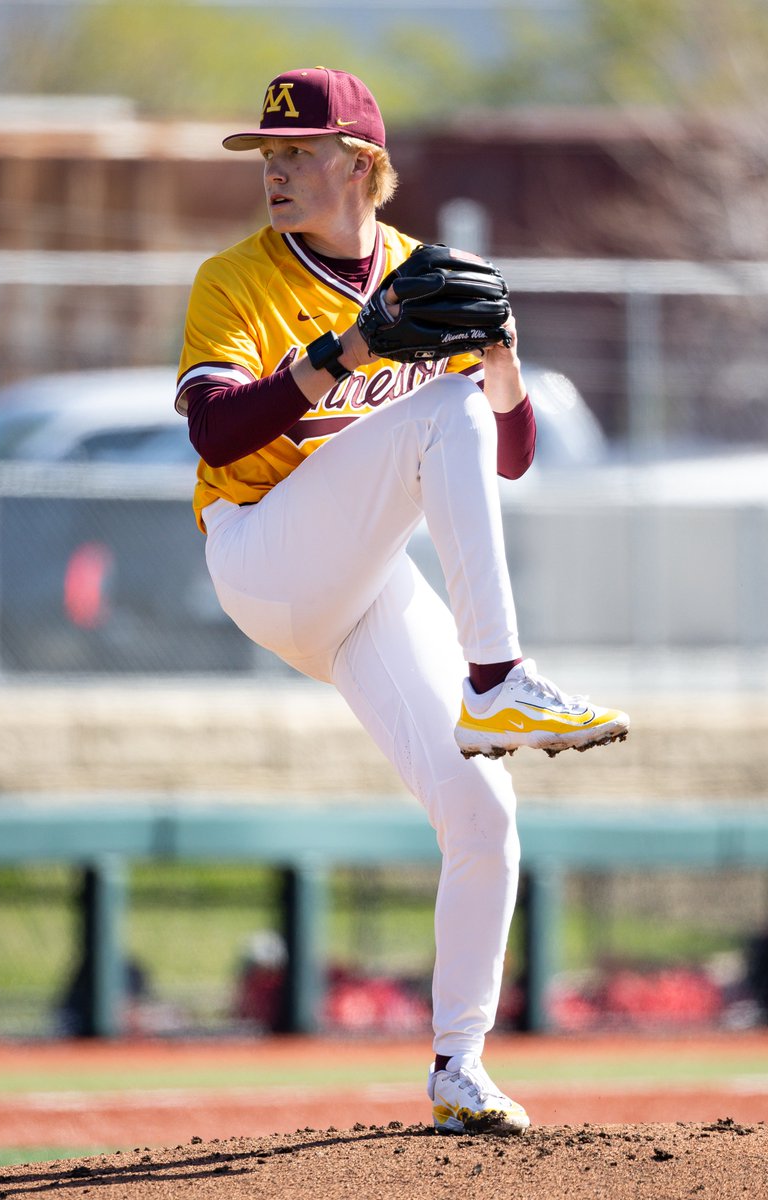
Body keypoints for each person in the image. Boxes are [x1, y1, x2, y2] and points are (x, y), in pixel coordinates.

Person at [176, 66, 630, 1135]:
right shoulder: (234, 278)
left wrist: (504, 358)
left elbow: (508, 451)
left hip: (362, 584)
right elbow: (214, 433)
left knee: (483, 815)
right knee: (437, 414)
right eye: (268, 154)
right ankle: (499, 676)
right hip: (260, 555)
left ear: (362, 165)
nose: (277, 172)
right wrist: (348, 353)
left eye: (299, 152)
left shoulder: (429, 274)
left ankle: (457, 1066)